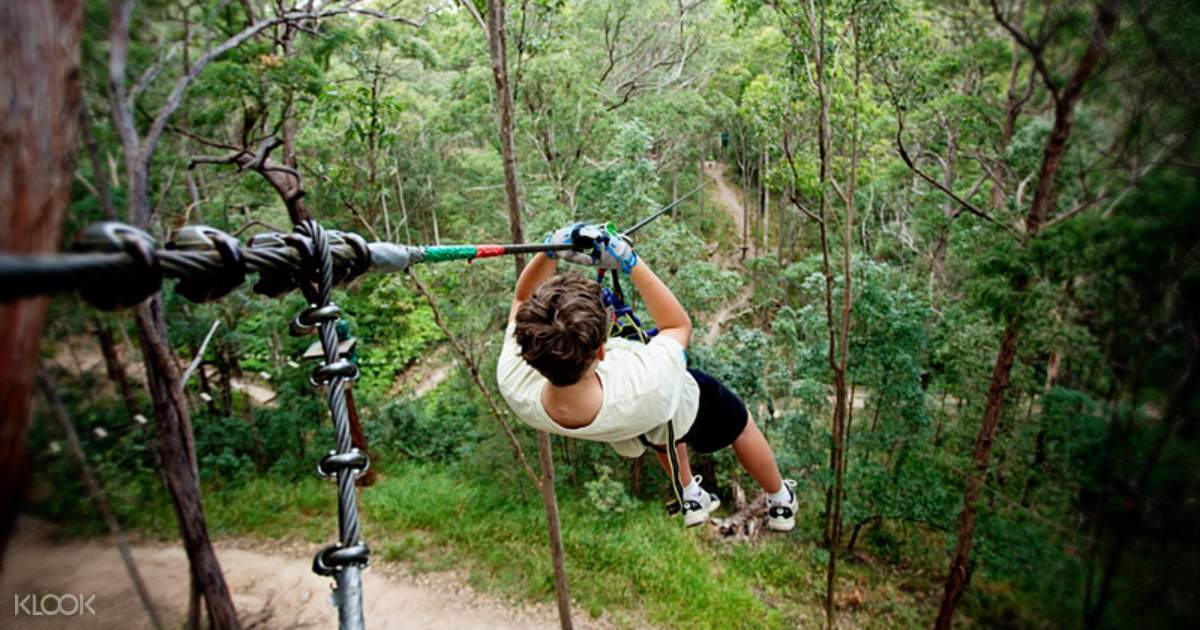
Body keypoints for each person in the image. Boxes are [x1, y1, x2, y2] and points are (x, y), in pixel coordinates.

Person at [496, 222, 797, 529]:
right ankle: (780, 498)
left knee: (660, 432)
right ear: (601, 351)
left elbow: (522, 299)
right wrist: (628, 260)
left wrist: (549, 250)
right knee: (740, 424)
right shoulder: (646, 380)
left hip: (631, 426)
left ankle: (690, 493)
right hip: (677, 405)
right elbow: (678, 326)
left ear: (527, 349)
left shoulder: (515, 381)